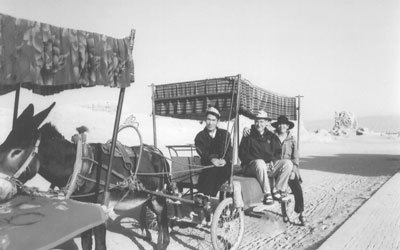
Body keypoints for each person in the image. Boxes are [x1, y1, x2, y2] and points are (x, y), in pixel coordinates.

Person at [239, 110, 293, 205]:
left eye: (261, 122)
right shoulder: (248, 135)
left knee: (288, 164)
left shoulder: (271, 137)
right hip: (252, 167)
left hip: (268, 167)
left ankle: (277, 190)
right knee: (260, 162)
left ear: (266, 123)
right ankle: (267, 193)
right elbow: (242, 154)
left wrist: (272, 161)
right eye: (256, 121)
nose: (258, 124)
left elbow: (277, 152)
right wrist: (257, 162)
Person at [271, 115, 304, 224]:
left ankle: (301, 213)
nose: (282, 126)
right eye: (280, 124)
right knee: (282, 192)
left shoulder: (292, 139)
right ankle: (284, 214)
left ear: (288, 126)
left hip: (290, 169)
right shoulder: (272, 137)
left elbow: (295, 157)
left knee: (297, 190)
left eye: (284, 124)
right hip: (276, 167)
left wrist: (294, 171)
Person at [194, 107, 232, 197]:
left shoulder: (225, 134)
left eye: (213, 120)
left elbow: (229, 151)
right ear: (205, 120)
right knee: (211, 169)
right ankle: (204, 195)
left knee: (220, 170)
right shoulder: (200, 137)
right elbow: (202, 152)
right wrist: (212, 159)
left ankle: (205, 194)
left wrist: (225, 160)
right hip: (208, 165)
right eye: (208, 119)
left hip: (224, 166)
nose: (210, 123)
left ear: (217, 121)